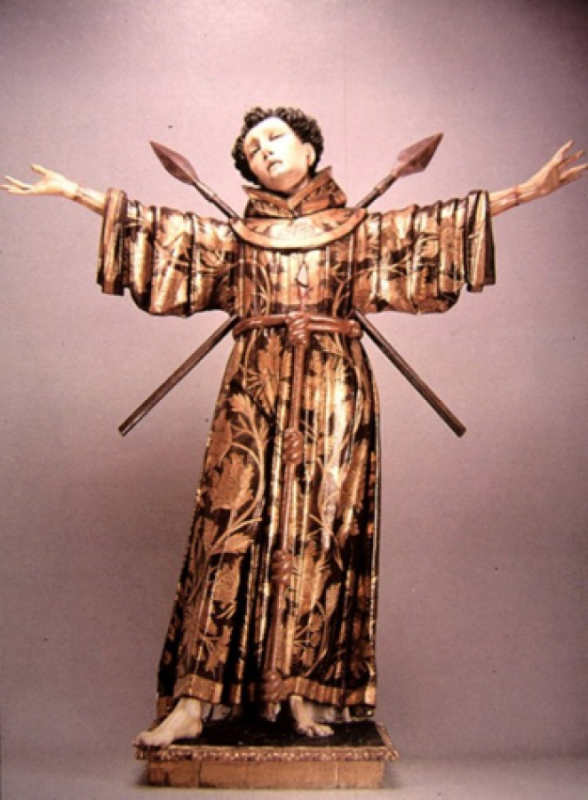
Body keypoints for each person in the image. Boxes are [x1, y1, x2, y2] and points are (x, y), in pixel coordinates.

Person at [2, 108, 586, 746]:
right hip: (254, 387)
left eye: (276, 137)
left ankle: (304, 695)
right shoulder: (235, 239)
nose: (264, 150)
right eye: (252, 148)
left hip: (335, 389)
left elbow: (433, 227)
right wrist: (75, 192)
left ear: (310, 150)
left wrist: (529, 190)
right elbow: (160, 228)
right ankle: (195, 701)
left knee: (320, 533)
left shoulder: (356, 230)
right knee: (229, 527)